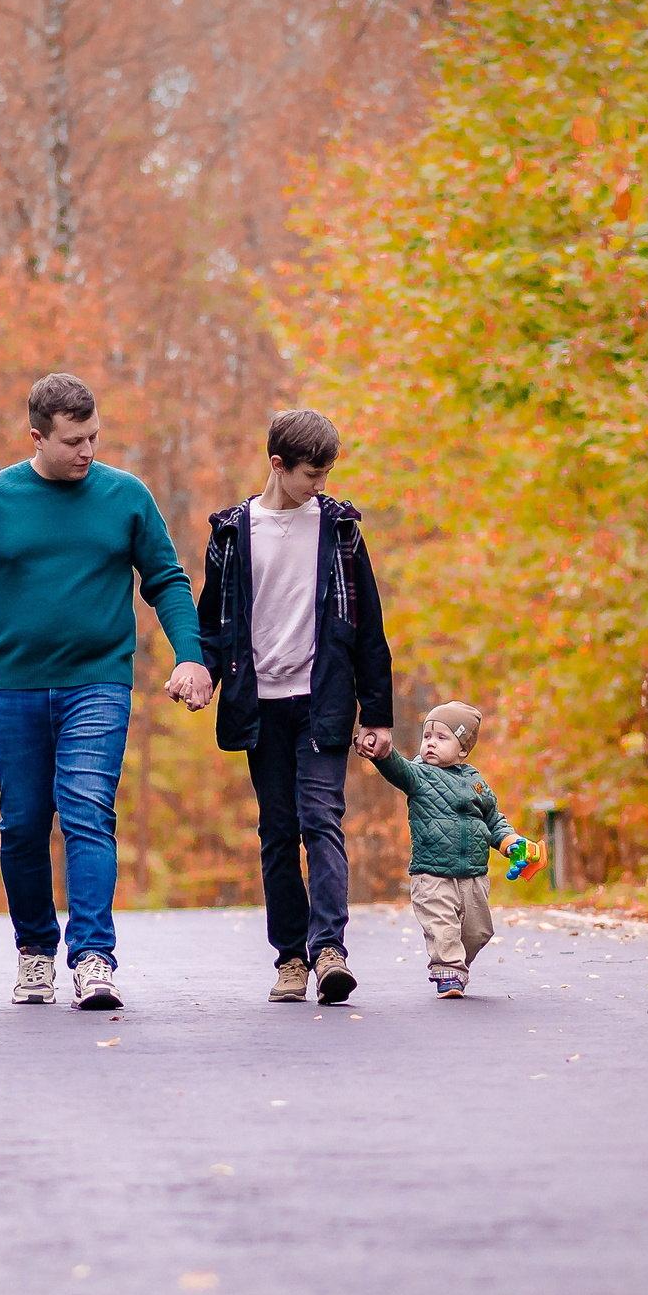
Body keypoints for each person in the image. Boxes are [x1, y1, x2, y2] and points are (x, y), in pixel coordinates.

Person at [0, 372, 212, 1010]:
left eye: (94, 436)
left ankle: (94, 957)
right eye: (73, 440)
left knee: (86, 811)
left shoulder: (126, 498)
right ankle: (36, 953)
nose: (87, 451)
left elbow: (168, 581)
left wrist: (191, 657)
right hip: (15, 686)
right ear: (37, 436)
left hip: (98, 682)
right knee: (21, 825)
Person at [197, 407, 393, 1005]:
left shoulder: (340, 531)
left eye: (328, 472)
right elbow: (212, 622)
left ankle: (329, 948)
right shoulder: (232, 533)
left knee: (321, 819)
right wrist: (200, 674)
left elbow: (368, 628)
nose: (321, 485)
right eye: (312, 474)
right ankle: (289, 957)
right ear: (277, 465)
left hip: (321, 699)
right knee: (278, 831)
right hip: (260, 704)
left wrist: (378, 712)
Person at [365, 701, 520, 999]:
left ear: (463, 749)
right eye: (428, 737)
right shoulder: (418, 775)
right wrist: (381, 753)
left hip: (473, 874)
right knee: (443, 927)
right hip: (432, 873)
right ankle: (448, 972)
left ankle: (457, 963)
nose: (431, 743)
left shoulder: (475, 781)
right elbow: (396, 768)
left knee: (479, 931)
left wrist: (509, 840)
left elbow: (492, 818)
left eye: (442, 737)